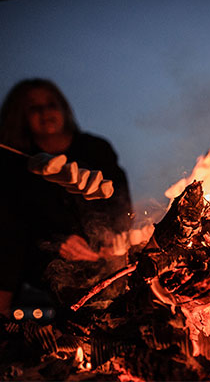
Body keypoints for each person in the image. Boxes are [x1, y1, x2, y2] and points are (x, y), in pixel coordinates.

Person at [0, 78, 133, 318]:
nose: (45, 112)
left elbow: (120, 199)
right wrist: (53, 244)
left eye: (51, 103)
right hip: (59, 290)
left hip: (116, 270)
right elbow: (12, 235)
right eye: (33, 107)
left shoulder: (95, 149)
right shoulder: (14, 168)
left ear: (63, 108)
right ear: (20, 116)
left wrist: (114, 235)